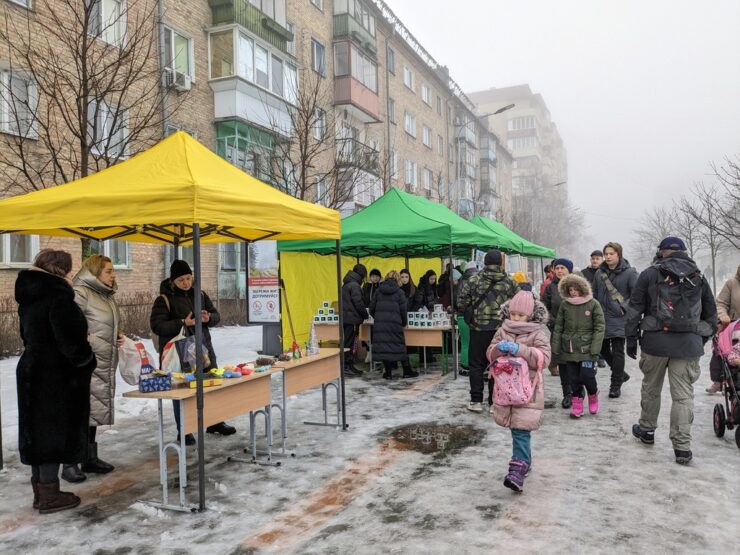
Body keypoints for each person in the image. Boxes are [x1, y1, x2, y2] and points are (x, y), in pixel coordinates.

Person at [16, 249, 97, 514]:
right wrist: (87, 360)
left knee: (36, 432)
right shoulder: (59, 298)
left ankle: (41, 492)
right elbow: (70, 341)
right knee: (52, 432)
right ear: (60, 270)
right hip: (55, 375)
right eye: (70, 270)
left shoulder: (28, 297)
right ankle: (49, 496)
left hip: (32, 368)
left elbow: (27, 335)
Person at [627, 237, 717, 465]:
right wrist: (700, 338)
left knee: (651, 389)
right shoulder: (698, 276)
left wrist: (631, 338)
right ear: (684, 252)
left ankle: (646, 430)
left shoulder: (649, 274)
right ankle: (682, 447)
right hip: (688, 346)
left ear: (661, 252)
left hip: (655, 343)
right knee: (683, 396)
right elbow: (711, 315)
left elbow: (634, 307)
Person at [150, 260, 235, 445]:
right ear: (173, 281)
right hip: (179, 353)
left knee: (211, 384)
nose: (186, 283)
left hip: (203, 349)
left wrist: (208, 318)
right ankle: (184, 431)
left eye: (188, 278)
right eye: (181, 280)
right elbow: (157, 326)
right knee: (182, 392)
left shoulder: (201, 294)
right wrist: (182, 323)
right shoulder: (164, 299)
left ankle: (214, 422)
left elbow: (216, 315)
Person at [61, 255, 123, 484]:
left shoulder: (105, 294)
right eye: (108, 271)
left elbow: (104, 324)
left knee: (93, 410)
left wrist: (116, 336)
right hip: (83, 362)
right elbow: (72, 327)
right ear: (95, 272)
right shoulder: (80, 292)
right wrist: (91, 342)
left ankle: (89, 457)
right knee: (78, 411)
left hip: (102, 361)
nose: (113, 274)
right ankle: (69, 463)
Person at [486, 291, 551, 492]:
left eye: (520, 315)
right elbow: (489, 352)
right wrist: (498, 349)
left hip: (527, 389)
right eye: (512, 314)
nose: (515, 319)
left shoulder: (538, 333)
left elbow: (544, 359)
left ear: (530, 315)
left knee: (521, 429)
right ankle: (525, 461)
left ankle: (517, 470)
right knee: (516, 427)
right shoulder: (502, 330)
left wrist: (519, 349)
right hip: (505, 388)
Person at [457, 249, 518, 413]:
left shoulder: (474, 279)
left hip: (478, 328)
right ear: (501, 263)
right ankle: (494, 402)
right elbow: (518, 304)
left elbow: (460, 302)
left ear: (484, 263)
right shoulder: (510, 282)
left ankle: (476, 401)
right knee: (498, 364)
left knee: (476, 365)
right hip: (501, 331)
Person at [552, 274, 606, 418]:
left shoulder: (593, 304)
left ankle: (593, 395)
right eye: (570, 289)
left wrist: (595, 348)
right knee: (573, 378)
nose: (573, 292)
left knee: (587, 375)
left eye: (576, 289)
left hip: (587, 349)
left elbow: (599, 327)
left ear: (582, 288)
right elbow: (558, 327)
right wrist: (556, 347)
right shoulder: (565, 305)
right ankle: (577, 404)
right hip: (569, 348)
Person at [591, 242, 639, 399]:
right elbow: (595, 294)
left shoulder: (630, 273)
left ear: (619, 254)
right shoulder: (599, 273)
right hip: (602, 318)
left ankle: (615, 384)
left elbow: (637, 296)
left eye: (612, 253)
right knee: (602, 350)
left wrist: (624, 308)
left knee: (618, 352)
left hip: (620, 318)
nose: (608, 256)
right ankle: (621, 374)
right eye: (607, 253)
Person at [370, 271, 419, 380]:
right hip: (395, 324)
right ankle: (407, 371)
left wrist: (379, 318)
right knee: (400, 347)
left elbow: (372, 309)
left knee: (384, 348)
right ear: (398, 280)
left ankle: (388, 373)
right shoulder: (399, 292)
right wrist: (404, 322)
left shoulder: (378, 291)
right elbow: (403, 311)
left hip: (380, 325)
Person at [543, 258, 573, 407]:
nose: (560, 270)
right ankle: (567, 394)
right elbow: (544, 308)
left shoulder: (577, 285)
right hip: (557, 331)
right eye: (557, 268)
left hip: (577, 332)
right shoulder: (550, 287)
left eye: (563, 268)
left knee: (576, 363)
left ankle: (578, 392)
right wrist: (552, 323)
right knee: (563, 364)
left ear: (569, 270)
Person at [708, 264, 740, 393]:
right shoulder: (732, 283)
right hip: (734, 327)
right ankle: (718, 380)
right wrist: (723, 316)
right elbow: (721, 303)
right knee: (720, 350)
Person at [341, 263, 368, 376]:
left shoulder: (347, 284)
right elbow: (358, 303)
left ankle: (347, 365)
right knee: (350, 343)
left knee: (347, 342)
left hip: (346, 319)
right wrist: (365, 314)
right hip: (352, 320)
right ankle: (347, 366)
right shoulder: (355, 285)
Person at [457, 262, 478, 374]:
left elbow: (458, 301)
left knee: (465, 342)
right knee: (476, 343)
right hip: (477, 316)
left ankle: (465, 365)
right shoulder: (480, 280)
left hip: (462, 316)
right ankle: (476, 365)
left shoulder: (461, 281)